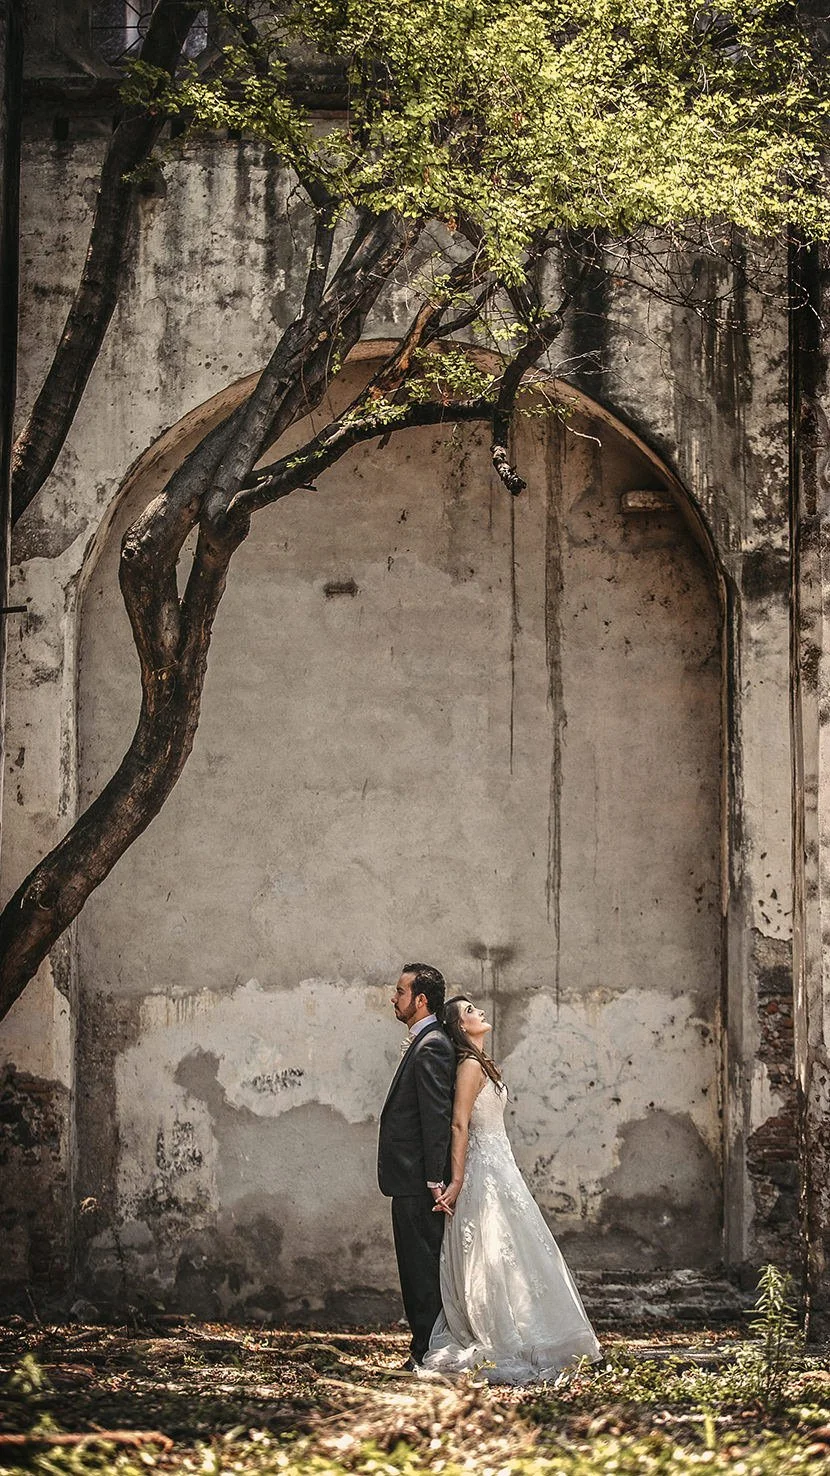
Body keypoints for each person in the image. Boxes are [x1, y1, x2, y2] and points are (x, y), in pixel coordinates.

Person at [422, 995, 601, 1384]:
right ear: (460, 1027)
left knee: (519, 1249)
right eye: (469, 1012)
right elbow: (459, 1124)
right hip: (482, 1169)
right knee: (490, 1250)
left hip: (501, 1164)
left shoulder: (486, 1064)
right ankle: (500, 1332)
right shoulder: (469, 1065)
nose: (478, 1012)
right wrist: (455, 1180)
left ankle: (533, 1329)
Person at [377, 964, 456, 1370]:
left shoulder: (432, 1045)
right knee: (415, 1268)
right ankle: (423, 1347)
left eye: (400, 991)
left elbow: (436, 1116)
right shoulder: (424, 1041)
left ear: (420, 999)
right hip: (407, 1179)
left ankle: (426, 1351)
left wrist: (433, 1179)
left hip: (418, 1182)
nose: (394, 998)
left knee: (421, 1270)